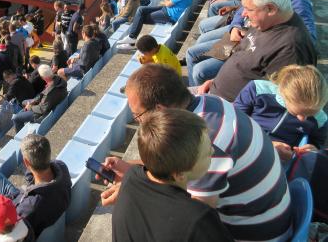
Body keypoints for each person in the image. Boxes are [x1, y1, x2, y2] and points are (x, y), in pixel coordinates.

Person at [102, 64, 292, 242]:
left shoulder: (208, 142)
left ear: (160, 110)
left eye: (138, 116)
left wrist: (134, 192)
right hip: (263, 215)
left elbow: (193, 218)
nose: (138, 121)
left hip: (257, 234)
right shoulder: (207, 103)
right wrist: (132, 170)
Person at [111, 108, 233, 242]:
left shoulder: (130, 177)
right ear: (180, 174)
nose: (213, 151)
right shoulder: (198, 219)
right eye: (206, 154)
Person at [199, 0, 317, 102]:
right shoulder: (266, 22)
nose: (244, 14)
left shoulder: (291, 49)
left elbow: (276, 104)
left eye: (249, 9)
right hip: (214, 90)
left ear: (271, 9)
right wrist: (215, 82)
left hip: (228, 111)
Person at [234, 64, 327, 160]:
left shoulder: (321, 120)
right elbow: (234, 122)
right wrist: (268, 145)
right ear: (284, 95)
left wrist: (313, 149)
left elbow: (318, 142)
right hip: (244, 144)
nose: (302, 119)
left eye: (311, 114)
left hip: (281, 160)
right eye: (296, 113)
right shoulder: (256, 90)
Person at [117, 0, 196, 49]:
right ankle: (132, 38)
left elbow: (168, 3)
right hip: (170, 9)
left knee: (140, 18)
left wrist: (166, 0)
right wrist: (169, 0)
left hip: (170, 15)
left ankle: (132, 40)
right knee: (141, 9)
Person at [12, 65, 67, 131]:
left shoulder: (50, 92)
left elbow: (42, 109)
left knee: (16, 118)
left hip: (41, 113)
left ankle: (21, 135)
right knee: (24, 102)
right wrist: (34, 101)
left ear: (43, 77)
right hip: (48, 103)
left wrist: (30, 107)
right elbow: (43, 95)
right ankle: (25, 112)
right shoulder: (58, 79)